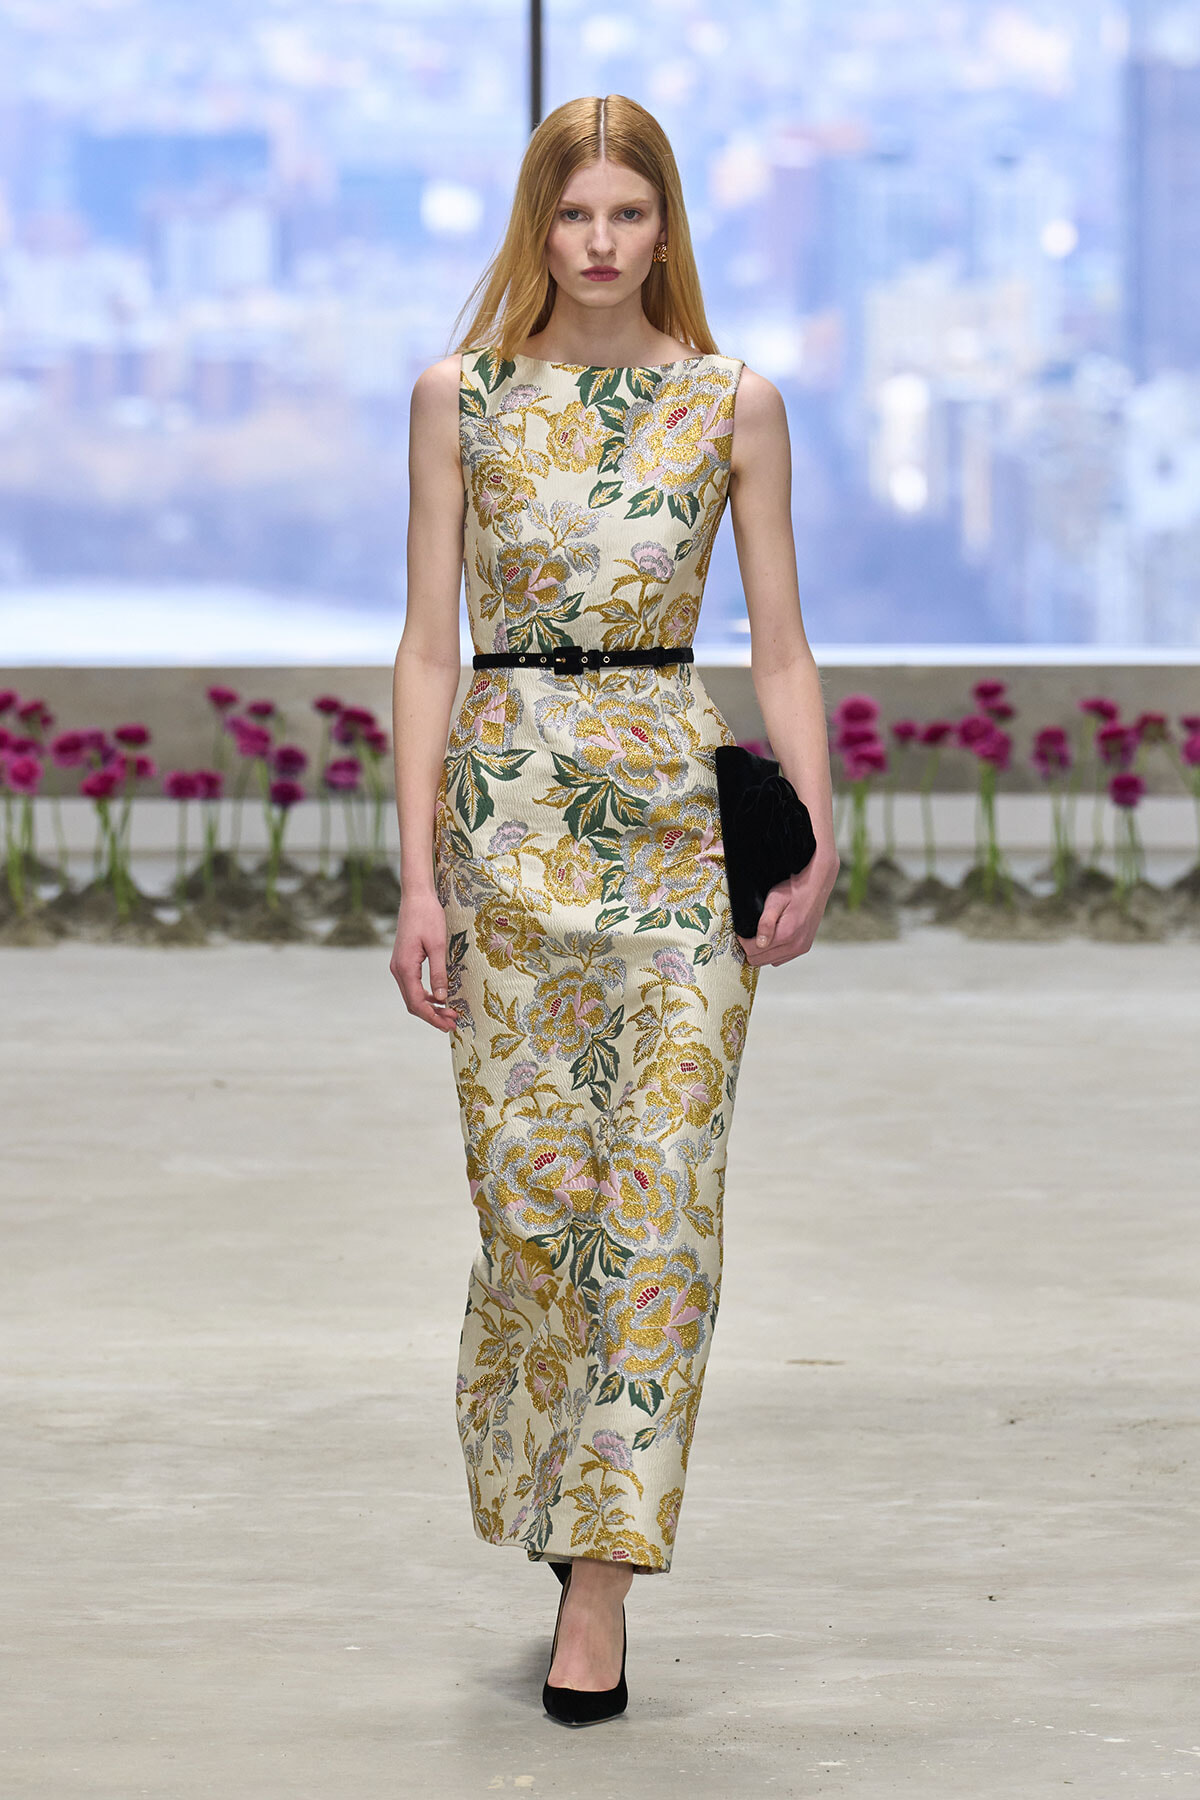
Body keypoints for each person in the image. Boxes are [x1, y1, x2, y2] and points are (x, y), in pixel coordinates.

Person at [389, 92, 838, 1726]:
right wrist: (419, 876)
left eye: (626, 218)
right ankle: (555, 1482)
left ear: (665, 229)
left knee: (660, 1200)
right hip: (505, 823)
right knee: (531, 1203)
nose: (597, 244)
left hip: (671, 827)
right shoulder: (463, 399)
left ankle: (603, 1584)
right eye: (572, 216)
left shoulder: (734, 401)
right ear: (537, 223)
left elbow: (779, 638)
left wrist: (819, 832)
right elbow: (429, 645)